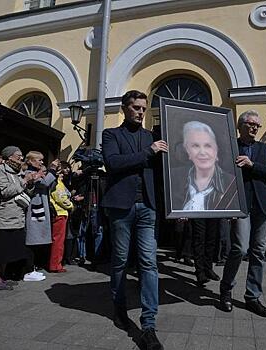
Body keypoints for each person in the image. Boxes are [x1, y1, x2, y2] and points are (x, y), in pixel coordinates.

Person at [101, 90, 167, 350]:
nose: (140, 112)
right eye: (136, 108)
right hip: (121, 206)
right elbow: (113, 163)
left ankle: (149, 324)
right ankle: (119, 309)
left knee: (149, 263)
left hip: (148, 207)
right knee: (119, 261)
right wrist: (149, 152)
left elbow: (163, 174)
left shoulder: (151, 136)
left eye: (143, 108)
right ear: (125, 108)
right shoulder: (111, 135)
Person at [219, 110, 266, 318]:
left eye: (257, 125)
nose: (255, 128)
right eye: (251, 124)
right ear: (240, 125)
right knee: (239, 248)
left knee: (258, 252)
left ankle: (253, 297)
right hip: (240, 204)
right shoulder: (230, 146)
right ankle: (226, 289)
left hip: (262, 206)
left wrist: (253, 165)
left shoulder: (264, 148)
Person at [0, 146, 33, 290]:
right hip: (4, 215)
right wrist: (24, 181)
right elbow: (5, 191)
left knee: (8, 249)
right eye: (18, 155)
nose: (21, 158)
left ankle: (3, 276)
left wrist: (30, 182)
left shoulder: (19, 171)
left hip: (18, 214)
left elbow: (24, 190)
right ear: (9, 157)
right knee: (0, 249)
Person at [173, 121, 238, 211]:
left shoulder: (232, 183)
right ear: (188, 151)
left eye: (208, 145)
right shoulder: (174, 179)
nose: (202, 152)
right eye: (195, 146)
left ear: (216, 150)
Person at [24, 151, 59, 281]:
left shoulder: (38, 172)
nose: (42, 162)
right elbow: (44, 184)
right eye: (39, 160)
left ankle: (33, 267)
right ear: (31, 161)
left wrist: (53, 175)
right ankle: (29, 270)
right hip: (34, 210)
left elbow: (49, 185)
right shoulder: (29, 173)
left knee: (37, 241)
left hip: (40, 209)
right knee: (32, 240)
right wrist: (52, 170)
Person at [49, 161, 74, 273]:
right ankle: (55, 265)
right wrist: (72, 206)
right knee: (58, 241)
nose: (63, 174)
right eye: (60, 172)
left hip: (60, 213)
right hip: (60, 213)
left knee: (58, 240)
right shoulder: (57, 184)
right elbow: (61, 199)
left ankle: (56, 263)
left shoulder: (59, 183)